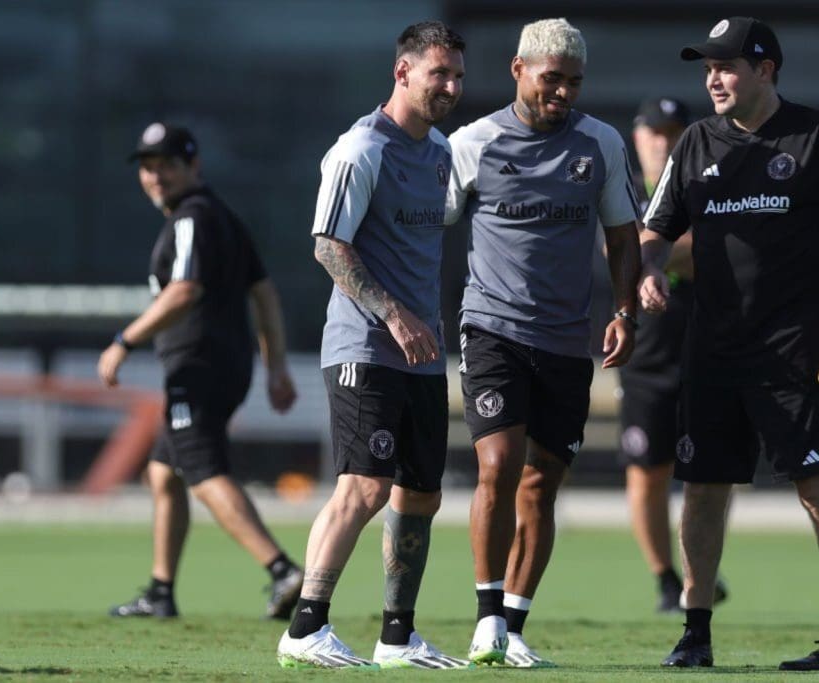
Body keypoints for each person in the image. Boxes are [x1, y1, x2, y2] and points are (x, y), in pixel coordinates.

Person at [639, 17, 819, 670]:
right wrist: (653, 269)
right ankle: (694, 632)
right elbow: (654, 229)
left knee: (818, 486)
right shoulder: (693, 142)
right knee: (704, 488)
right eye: (706, 68)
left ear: (765, 69)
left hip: (797, 353)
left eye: (726, 66)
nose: (713, 78)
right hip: (712, 352)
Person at [445, 18, 641, 668]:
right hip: (492, 329)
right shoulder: (472, 143)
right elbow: (426, 220)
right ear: (518, 71)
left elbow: (621, 235)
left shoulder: (601, 144)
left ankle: (517, 624)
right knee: (497, 467)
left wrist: (625, 311)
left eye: (573, 83)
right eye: (551, 79)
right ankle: (485, 619)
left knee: (541, 485)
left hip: (565, 341)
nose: (562, 93)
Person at [275, 21, 469, 670]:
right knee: (363, 485)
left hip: (423, 351)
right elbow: (327, 243)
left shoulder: (439, 150)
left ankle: (397, 636)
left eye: (456, 75)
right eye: (438, 72)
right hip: (365, 343)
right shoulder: (360, 149)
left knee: (420, 492)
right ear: (402, 72)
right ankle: (305, 626)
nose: (450, 85)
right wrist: (392, 313)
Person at [99, 123, 303, 622]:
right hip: (225, 361)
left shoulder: (193, 217)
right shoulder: (222, 217)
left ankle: (282, 570)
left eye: (166, 165)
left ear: (193, 166)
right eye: (148, 167)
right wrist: (275, 366)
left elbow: (184, 290)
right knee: (163, 473)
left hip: (200, 363)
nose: (155, 176)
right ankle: (161, 591)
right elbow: (265, 294)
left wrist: (125, 341)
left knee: (203, 471)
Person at [618, 97, 729, 613]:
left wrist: (655, 247)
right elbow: (618, 252)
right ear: (637, 139)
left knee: (711, 471)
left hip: (707, 348)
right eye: (653, 133)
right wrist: (672, 245)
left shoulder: (707, 188)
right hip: (646, 359)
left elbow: (727, 247)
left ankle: (698, 573)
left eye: (672, 132)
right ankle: (664, 576)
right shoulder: (623, 192)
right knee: (647, 470)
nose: (662, 142)